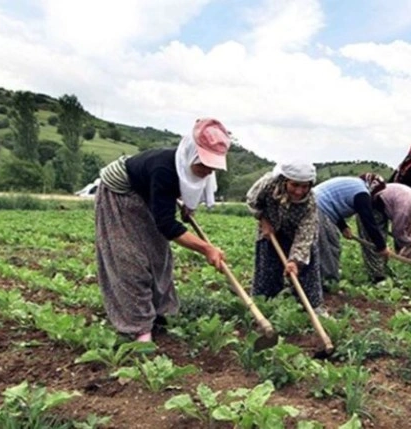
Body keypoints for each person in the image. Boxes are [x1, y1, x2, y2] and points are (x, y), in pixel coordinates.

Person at [95, 118, 231, 343]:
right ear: (190, 156)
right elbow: (167, 225)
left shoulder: (198, 169)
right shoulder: (164, 169)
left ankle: (162, 313)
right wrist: (206, 248)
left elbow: (190, 187)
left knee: (159, 255)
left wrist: (189, 205)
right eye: (203, 166)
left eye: (212, 167)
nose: (207, 171)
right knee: (129, 259)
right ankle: (137, 327)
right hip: (119, 193)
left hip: (145, 193)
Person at [246, 161, 326, 314]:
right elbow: (252, 200)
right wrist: (263, 220)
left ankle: (312, 306)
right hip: (270, 226)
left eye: (304, 186)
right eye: (294, 185)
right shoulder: (268, 185)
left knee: (307, 267)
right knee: (267, 264)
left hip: (296, 231)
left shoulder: (310, 202)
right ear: (284, 181)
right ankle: (263, 304)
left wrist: (294, 261)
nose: (299, 191)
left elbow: (305, 234)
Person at [358, 176, 411, 283]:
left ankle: (381, 271)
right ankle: (377, 277)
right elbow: (398, 233)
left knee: (381, 240)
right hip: (371, 207)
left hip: (381, 207)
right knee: (375, 242)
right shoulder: (405, 207)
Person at [313, 176, 389, 287]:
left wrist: (343, 227)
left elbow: (333, 200)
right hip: (319, 209)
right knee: (330, 247)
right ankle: (329, 282)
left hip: (317, 204)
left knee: (318, 246)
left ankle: (319, 277)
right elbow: (369, 222)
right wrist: (381, 246)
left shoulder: (356, 185)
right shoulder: (362, 193)